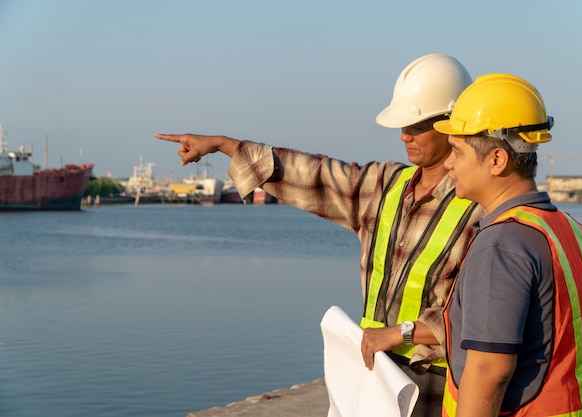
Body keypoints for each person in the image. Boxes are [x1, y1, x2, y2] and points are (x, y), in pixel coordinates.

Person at [155, 53, 484, 417]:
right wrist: (223, 144)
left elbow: (481, 314)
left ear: (453, 125)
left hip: (437, 383)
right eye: (402, 125)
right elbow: (315, 174)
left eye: (417, 125)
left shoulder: (479, 208)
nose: (404, 135)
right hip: (375, 374)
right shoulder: (385, 185)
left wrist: (400, 333)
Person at [433, 73, 582, 417]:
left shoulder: (501, 244)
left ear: (497, 160)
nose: (448, 164)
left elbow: (488, 372)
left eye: (456, 151)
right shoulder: (567, 229)